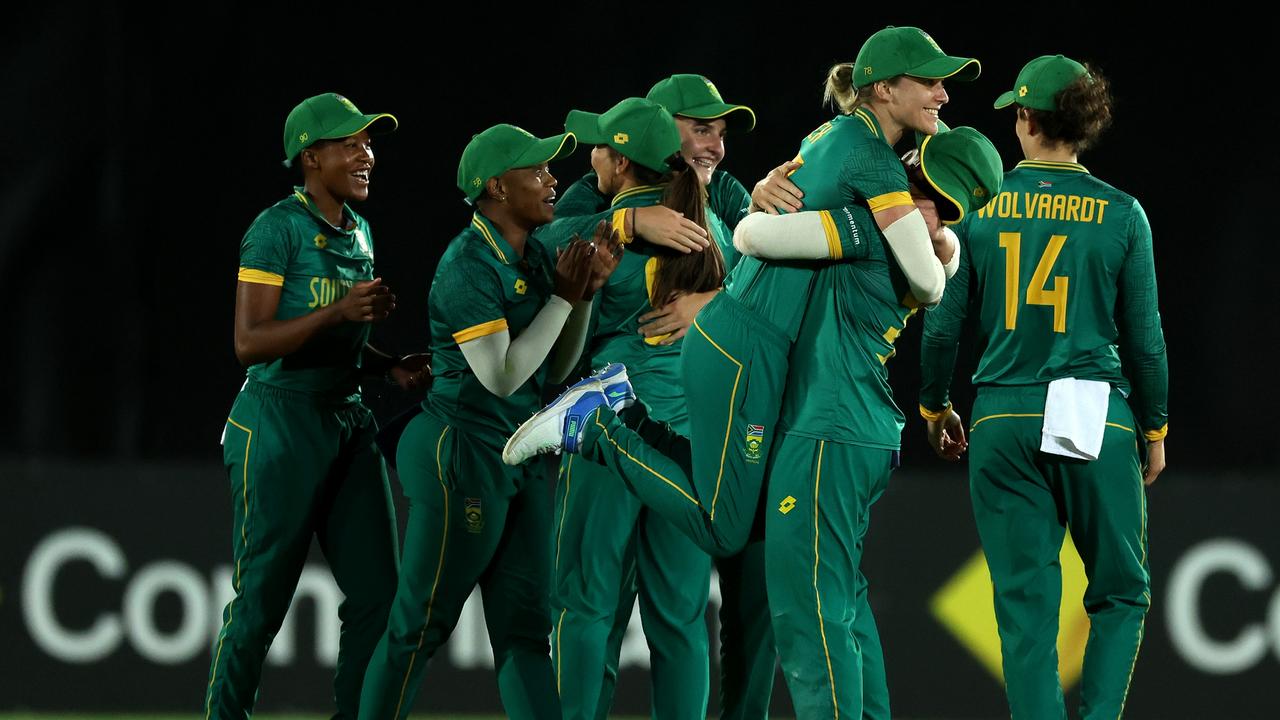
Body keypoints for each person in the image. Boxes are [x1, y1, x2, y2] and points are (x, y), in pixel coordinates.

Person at [507, 27, 992, 718]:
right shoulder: (856, 179)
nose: (712, 144)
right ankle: (601, 418)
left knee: (706, 589)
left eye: (720, 131)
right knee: (627, 589)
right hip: (737, 367)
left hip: (746, 379)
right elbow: (768, 237)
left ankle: (606, 420)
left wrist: (722, 277)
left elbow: (761, 235)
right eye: (697, 129)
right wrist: (635, 230)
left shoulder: (841, 197)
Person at [918, 55, 1168, 720]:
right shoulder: (1122, 213)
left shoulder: (980, 210)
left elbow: (942, 328)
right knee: (1120, 594)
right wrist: (1156, 426)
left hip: (1001, 415)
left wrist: (935, 405)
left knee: (1026, 609)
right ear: (1083, 122)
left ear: (1025, 119)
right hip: (1092, 410)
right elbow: (1144, 338)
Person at [357, 123, 622, 719]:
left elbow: (553, 372)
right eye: (537, 171)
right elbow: (500, 376)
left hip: (518, 452)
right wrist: (562, 299)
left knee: (526, 633)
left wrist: (581, 296)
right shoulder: (467, 265)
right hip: (462, 453)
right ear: (497, 188)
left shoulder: (535, 253)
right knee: (418, 626)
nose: (553, 179)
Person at [205, 92, 428, 719]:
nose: (367, 156)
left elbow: (338, 339)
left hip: (347, 420)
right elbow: (250, 344)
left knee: (379, 599)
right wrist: (340, 310)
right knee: (262, 602)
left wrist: (387, 364)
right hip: (277, 424)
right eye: (350, 144)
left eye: (368, 143)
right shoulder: (276, 228)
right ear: (310, 157)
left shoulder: (360, 229)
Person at [539, 95, 739, 720]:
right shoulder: (713, 228)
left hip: (612, 418)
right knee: (680, 616)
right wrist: (717, 302)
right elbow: (765, 289)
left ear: (621, 161)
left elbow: (525, 244)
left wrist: (621, 226)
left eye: (600, 147)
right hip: (688, 433)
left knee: (585, 602)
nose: (592, 155)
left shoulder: (600, 235)